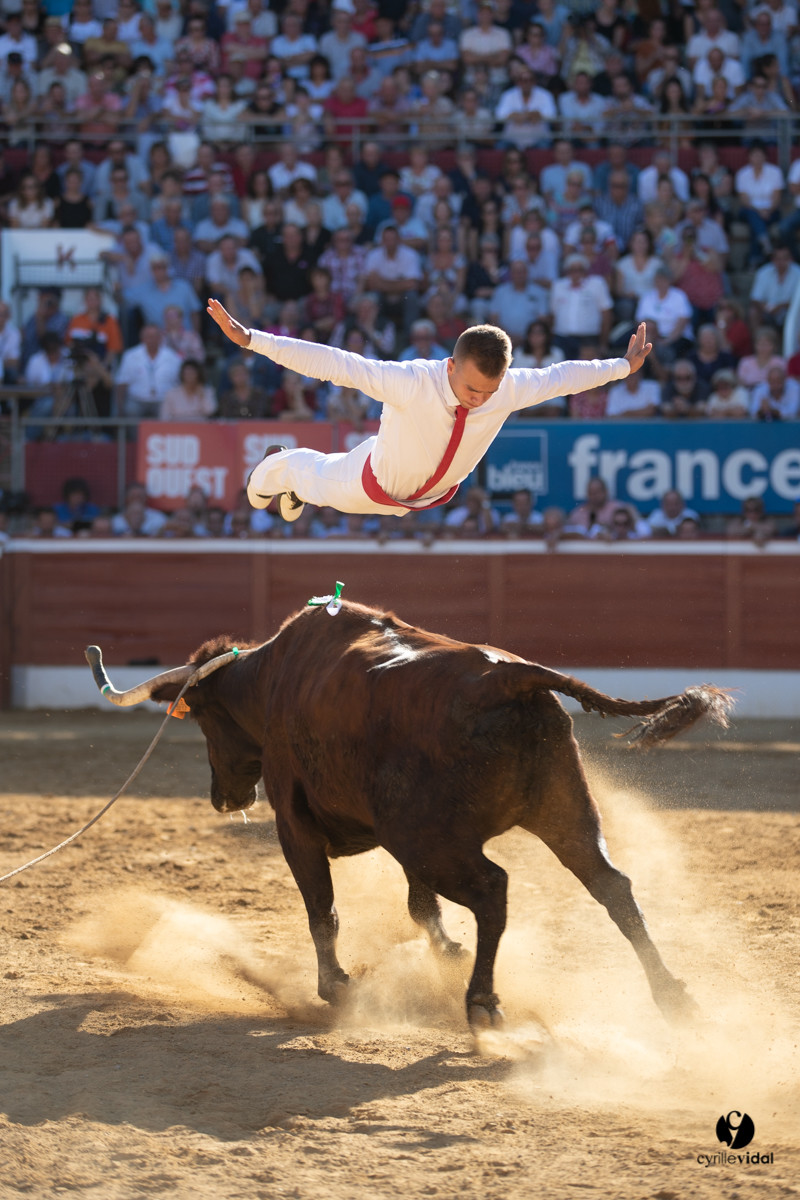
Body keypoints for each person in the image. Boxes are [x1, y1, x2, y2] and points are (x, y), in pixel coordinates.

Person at [208, 297, 652, 522]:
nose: (480, 399)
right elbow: (336, 363)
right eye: (473, 388)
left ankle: (293, 482)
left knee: (318, 478)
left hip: (422, 495)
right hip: (372, 485)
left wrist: (621, 367)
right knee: (305, 479)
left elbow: (563, 376)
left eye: (490, 390)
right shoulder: (412, 380)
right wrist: (253, 340)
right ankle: (273, 467)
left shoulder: (509, 388)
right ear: (451, 365)